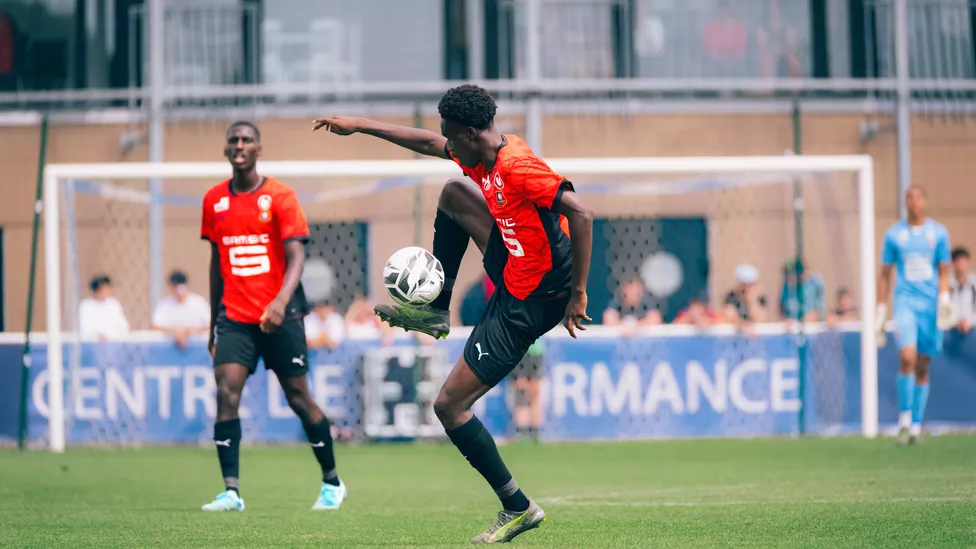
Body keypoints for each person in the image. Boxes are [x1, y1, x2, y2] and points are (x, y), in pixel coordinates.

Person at [313, 84, 593, 544]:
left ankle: (518, 507)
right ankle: (436, 311)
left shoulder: (519, 166)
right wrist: (359, 124)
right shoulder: (475, 152)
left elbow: (581, 213)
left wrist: (578, 293)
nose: (445, 144)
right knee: (453, 192)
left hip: (532, 300)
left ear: (469, 132)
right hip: (513, 260)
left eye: (450, 137)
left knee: (449, 406)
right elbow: (424, 142)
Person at [199, 121, 345, 512]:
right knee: (226, 393)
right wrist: (215, 320)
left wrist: (279, 302)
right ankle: (231, 491)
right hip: (234, 317)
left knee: (299, 398)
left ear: (259, 148)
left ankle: (332, 481)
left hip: (284, 316)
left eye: (247, 140)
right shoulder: (214, 200)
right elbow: (216, 263)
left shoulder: (280, 195)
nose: (240, 145)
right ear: (226, 149)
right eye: (234, 140)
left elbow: (297, 255)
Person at [877, 186, 952, 446]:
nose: (914, 203)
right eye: (909, 198)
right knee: (906, 356)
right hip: (905, 303)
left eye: (918, 198)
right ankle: (904, 418)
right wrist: (880, 309)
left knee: (923, 363)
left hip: (929, 305)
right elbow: (885, 274)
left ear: (925, 202)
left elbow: (944, 270)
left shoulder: (938, 233)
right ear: (905, 203)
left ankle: (917, 425)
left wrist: (944, 300)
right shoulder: (894, 235)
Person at [151, 270, 211, 349]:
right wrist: (176, 332)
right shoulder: (164, 305)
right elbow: (155, 326)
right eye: (175, 287)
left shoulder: (198, 303)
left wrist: (188, 332)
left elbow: (210, 325)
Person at [79, 274, 130, 341]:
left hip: (113, 344)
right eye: (105, 289)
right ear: (97, 290)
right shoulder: (85, 306)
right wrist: (96, 336)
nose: (108, 291)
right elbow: (84, 328)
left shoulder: (113, 304)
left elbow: (123, 326)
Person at [948, 247, 976, 334]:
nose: (961, 264)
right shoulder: (947, 283)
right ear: (953, 263)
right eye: (957, 261)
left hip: (972, 327)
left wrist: (969, 322)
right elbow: (944, 308)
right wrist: (956, 322)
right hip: (951, 328)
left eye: (963, 260)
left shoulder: (974, 282)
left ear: (968, 261)